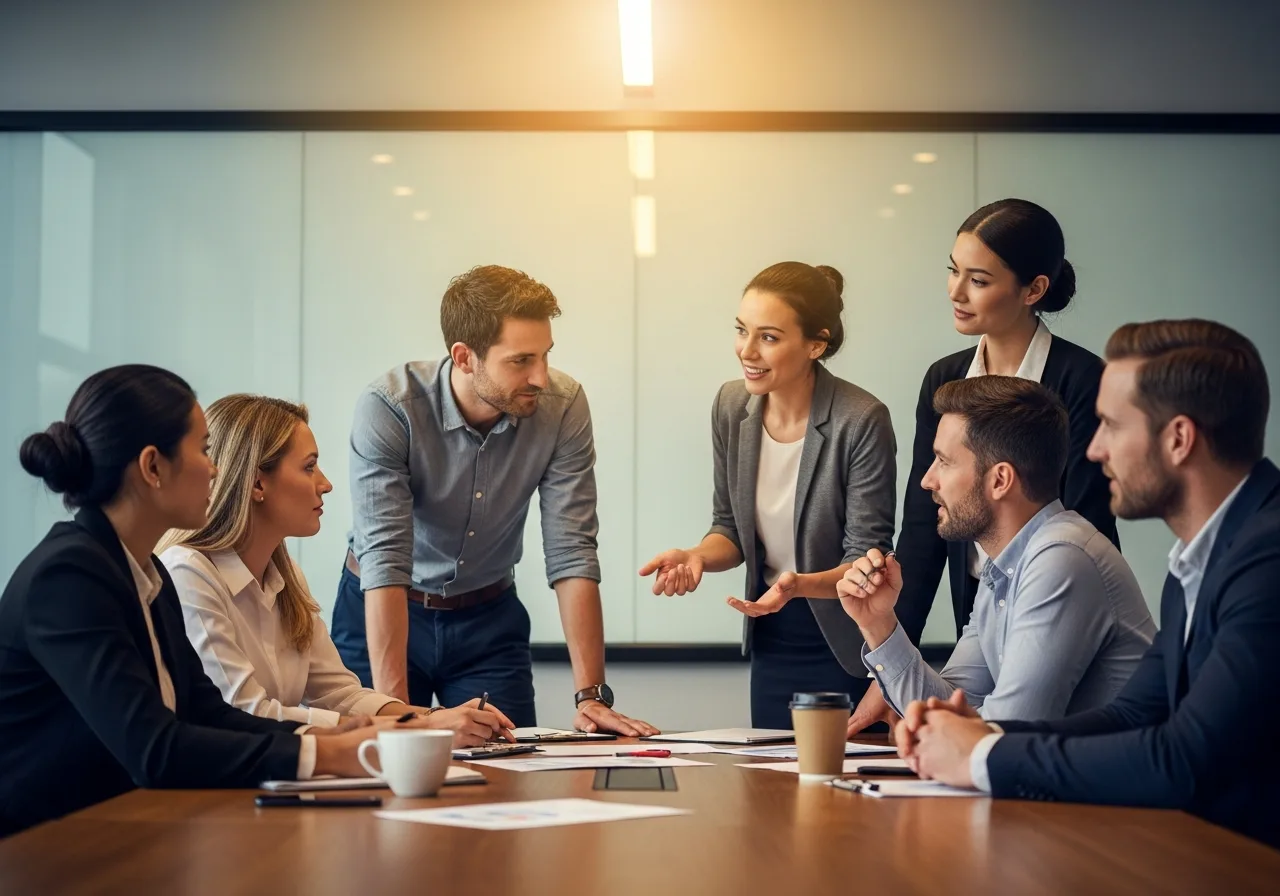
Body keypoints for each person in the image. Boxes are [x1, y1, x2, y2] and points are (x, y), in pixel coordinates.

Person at [0, 366, 434, 837]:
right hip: (46, 850)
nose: (214, 467)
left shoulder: (146, 572)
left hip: (117, 833)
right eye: (203, 450)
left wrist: (335, 737)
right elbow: (155, 750)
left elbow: (210, 714)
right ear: (152, 467)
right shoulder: (69, 577)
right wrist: (327, 753)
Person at [895, 320, 1280, 850]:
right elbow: (1132, 715)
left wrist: (982, 753)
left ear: (1179, 440)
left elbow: (1184, 759)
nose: (1094, 451)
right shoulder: (1203, 557)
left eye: (1111, 426)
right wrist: (982, 736)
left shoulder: (1268, 557)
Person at [329, 265, 657, 735]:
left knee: (506, 775)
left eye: (545, 355)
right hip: (380, 613)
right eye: (521, 360)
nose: (541, 377)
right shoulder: (390, 406)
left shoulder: (563, 406)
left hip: (487, 620)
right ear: (465, 357)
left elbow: (572, 549)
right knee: (385, 767)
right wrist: (401, 721)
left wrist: (590, 696)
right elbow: (385, 558)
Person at [853, 198, 1121, 735]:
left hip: (1054, 582)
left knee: (1016, 735)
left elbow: (1085, 518)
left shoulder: (1080, 377)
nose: (955, 292)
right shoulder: (945, 379)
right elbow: (925, 525)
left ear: (1034, 289)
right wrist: (885, 664)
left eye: (977, 279)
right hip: (982, 591)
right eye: (953, 271)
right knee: (969, 722)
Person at [159, 394, 513, 746]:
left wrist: (433, 717)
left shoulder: (287, 576)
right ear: (257, 484)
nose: (325, 484)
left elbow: (340, 694)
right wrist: (416, 729)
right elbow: (246, 712)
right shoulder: (188, 573)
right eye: (309, 467)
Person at [641, 262, 897, 728]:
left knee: (837, 793)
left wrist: (796, 584)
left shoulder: (860, 419)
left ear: (816, 344)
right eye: (742, 331)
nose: (747, 351)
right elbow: (730, 529)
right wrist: (696, 555)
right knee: (771, 791)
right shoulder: (730, 405)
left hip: (844, 639)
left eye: (769, 337)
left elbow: (867, 558)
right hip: (771, 633)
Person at [837, 376, 1153, 726]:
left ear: (1000, 480)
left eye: (943, 461)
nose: (928, 480)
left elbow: (1008, 730)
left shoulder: (1061, 558)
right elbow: (951, 707)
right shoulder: (1005, 565)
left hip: (1105, 781)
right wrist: (878, 623)